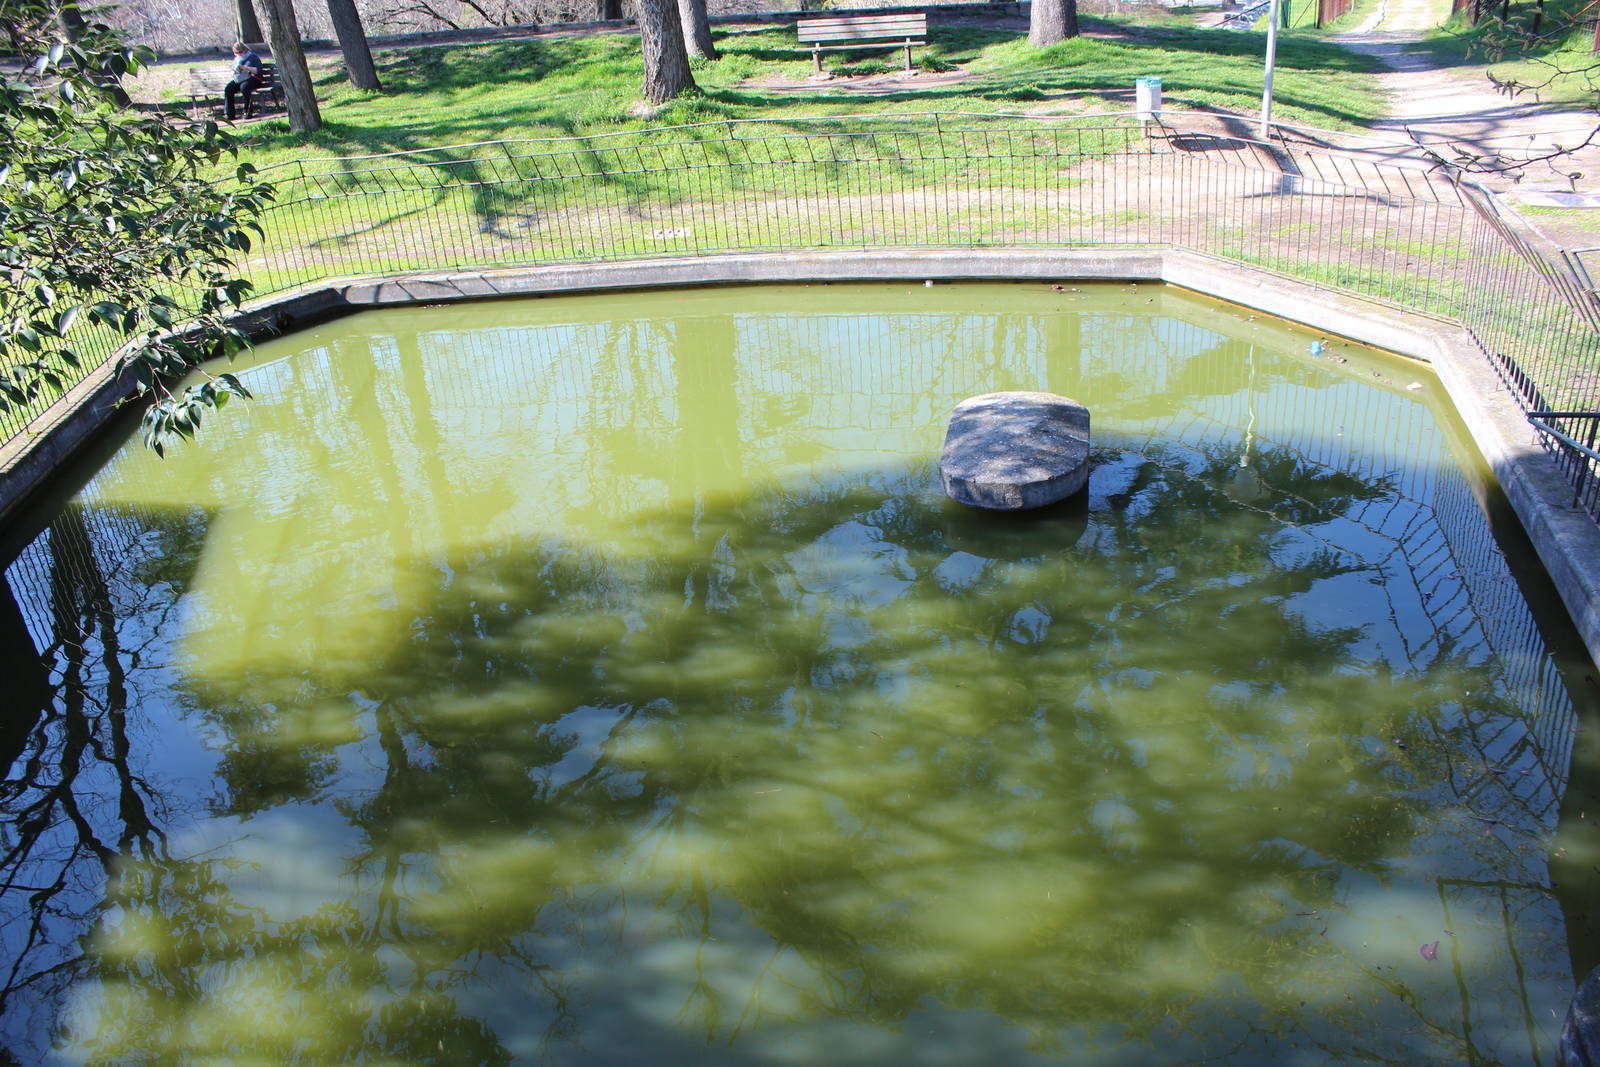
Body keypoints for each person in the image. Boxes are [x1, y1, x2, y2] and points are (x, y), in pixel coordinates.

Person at [224, 41, 264, 121]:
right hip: (240, 78)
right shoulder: (237, 59)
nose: (239, 54)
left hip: (254, 79)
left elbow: (259, 70)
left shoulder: (253, 57)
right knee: (228, 88)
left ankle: (247, 112)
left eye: (241, 52)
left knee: (244, 87)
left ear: (245, 50)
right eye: (236, 53)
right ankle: (229, 114)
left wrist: (247, 68)